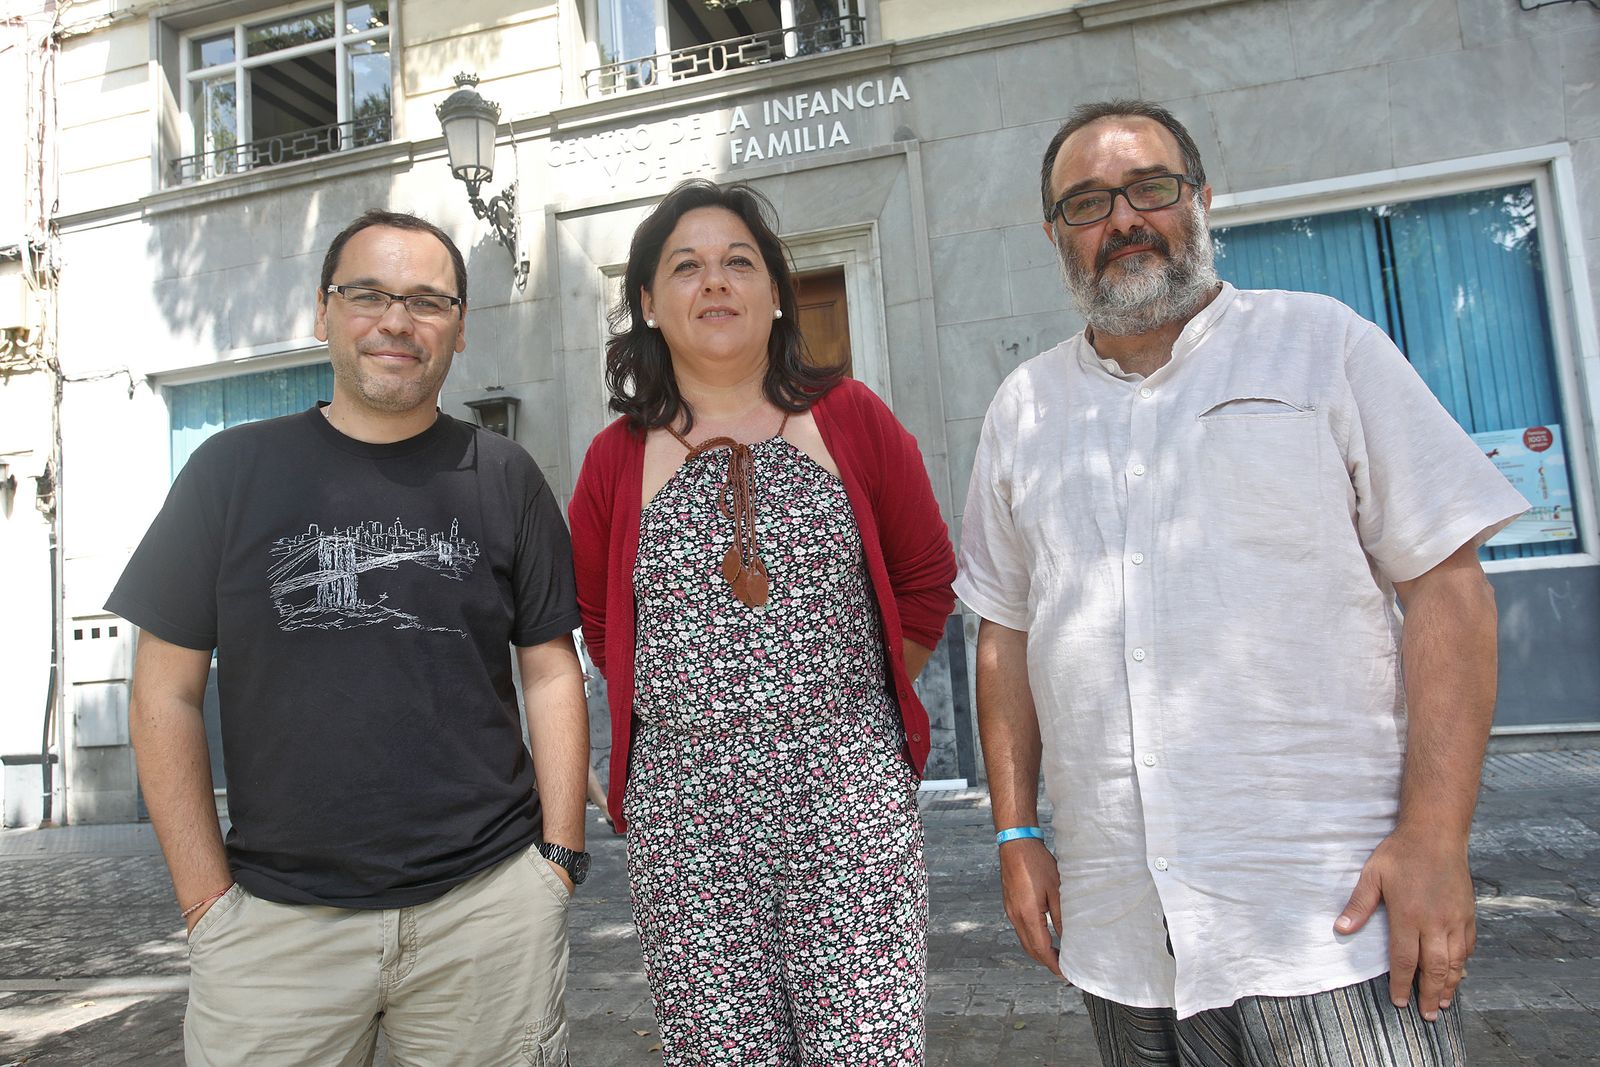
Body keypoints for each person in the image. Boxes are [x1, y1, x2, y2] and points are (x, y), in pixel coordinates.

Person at [956, 100, 1529, 1065]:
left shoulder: (1322, 345)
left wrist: (1436, 834)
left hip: (1328, 918)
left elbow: (1449, 586)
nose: (1125, 220)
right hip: (1124, 928)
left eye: (1152, 188)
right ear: (1056, 235)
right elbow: (1005, 631)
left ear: (1202, 198)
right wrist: (1016, 829)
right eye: (1088, 204)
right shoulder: (1023, 408)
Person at [108, 209, 589, 1066]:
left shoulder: (507, 476)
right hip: (273, 930)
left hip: (485, 915)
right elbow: (162, 691)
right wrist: (205, 904)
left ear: (460, 328)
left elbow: (549, 669)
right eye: (368, 293)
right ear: (321, 311)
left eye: (428, 301)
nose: (397, 320)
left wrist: (557, 861)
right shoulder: (229, 470)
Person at [568, 178, 956, 1064]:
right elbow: (599, 620)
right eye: (687, 267)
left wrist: (846, 713)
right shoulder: (613, 461)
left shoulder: (850, 417)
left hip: (846, 804)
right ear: (647, 304)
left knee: (867, 1047)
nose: (715, 283)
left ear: (776, 293)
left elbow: (927, 578)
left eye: (739, 262)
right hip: (687, 819)